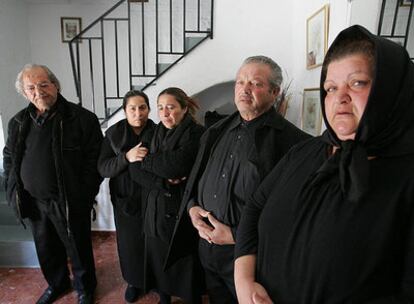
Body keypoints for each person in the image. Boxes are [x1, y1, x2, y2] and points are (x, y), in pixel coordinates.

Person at [234, 25, 414, 303]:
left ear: (391, 89)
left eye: (358, 83)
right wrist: (244, 282)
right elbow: (255, 207)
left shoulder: (406, 175)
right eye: (330, 87)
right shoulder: (304, 152)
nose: (339, 97)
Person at [167, 56, 310, 303]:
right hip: (207, 251)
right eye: (240, 81)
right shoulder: (214, 131)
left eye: (255, 83)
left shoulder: (295, 144)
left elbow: (293, 216)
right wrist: (191, 209)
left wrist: (234, 235)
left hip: (250, 258)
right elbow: (196, 179)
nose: (244, 89)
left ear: (274, 92)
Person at [3, 64, 103, 304]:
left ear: (55, 85)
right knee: (46, 249)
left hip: (68, 199)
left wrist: (84, 194)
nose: (39, 91)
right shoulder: (18, 122)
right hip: (33, 200)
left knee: (78, 248)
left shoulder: (82, 118)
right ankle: (57, 284)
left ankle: (85, 288)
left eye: (44, 84)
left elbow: (95, 161)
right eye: (31, 87)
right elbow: (9, 156)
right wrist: (12, 187)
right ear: (25, 93)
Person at [128, 87, 205, 303]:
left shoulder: (196, 134)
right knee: (158, 258)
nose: (165, 113)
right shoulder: (153, 132)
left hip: (182, 207)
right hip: (156, 207)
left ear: (184, 108)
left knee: (184, 259)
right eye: (161, 108)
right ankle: (164, 296)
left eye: (171, 107)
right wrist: (161, 181)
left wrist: (148, 161)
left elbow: (176, 166)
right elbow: (134, 170)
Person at [97, 90, 156, 303]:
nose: (138, 113)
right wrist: (126, 157)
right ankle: (134, 281)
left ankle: (156, 279)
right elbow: (103, 168)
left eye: (142, 108)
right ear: (124, 111)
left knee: (154, 241)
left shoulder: (159, 131)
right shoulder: (113, 134)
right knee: (130, 244)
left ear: (149, 109)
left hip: (154, 196)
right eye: (132, 108)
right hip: (125, 198)